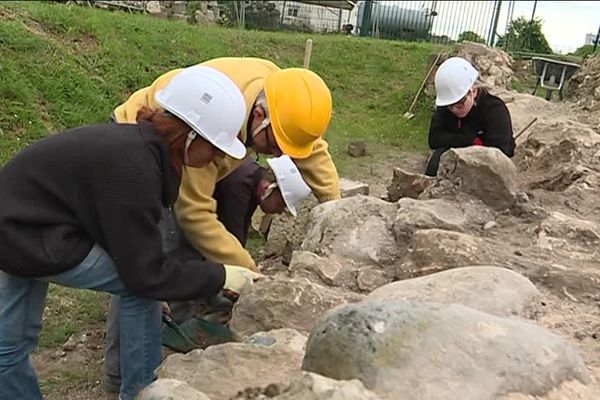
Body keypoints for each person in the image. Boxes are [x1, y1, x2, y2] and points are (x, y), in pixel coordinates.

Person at [0, 65, 260, 400]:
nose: (219, 157)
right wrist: (223, 276)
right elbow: (145, 273)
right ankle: (143, 391)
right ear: (190, 136)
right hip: (24, 233)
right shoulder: (134, 167)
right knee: (137, 286)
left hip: (21, 220)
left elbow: (128, 237)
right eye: (215, 147)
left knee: (8, 346)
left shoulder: (138, 149)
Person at [103, 155, 313, 392]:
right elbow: (228, 240)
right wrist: (247, 275)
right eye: (282, 205)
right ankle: (123, 372)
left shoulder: (248, 176)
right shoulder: (240, 183)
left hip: (186, 218)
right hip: (178, 220)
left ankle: (157, 350)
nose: (278, 212)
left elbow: (232, 240)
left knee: (173, 282)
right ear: (270, 189)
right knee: (148, 286)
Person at [112, 57, 341, 271]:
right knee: (153, 256)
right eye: (275, 144)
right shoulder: (212, 126)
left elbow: (312, 149)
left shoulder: (281, 95)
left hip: (190, 140)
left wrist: (336, 211)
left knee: (184, 254)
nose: (278, 154)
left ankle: (181, 300)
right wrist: (249, 273)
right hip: (140, 144)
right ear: (259, 115)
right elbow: (194, 213)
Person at [425, 57, 516, 176]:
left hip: (486, 168)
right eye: (449, 106)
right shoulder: (447, 106)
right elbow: (434, 139)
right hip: (454, 158)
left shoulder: (494, 110)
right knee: (438, 156)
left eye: (459, 104)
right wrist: (470, 140)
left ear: (473, 91)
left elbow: (502, 151)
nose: (453, 110)